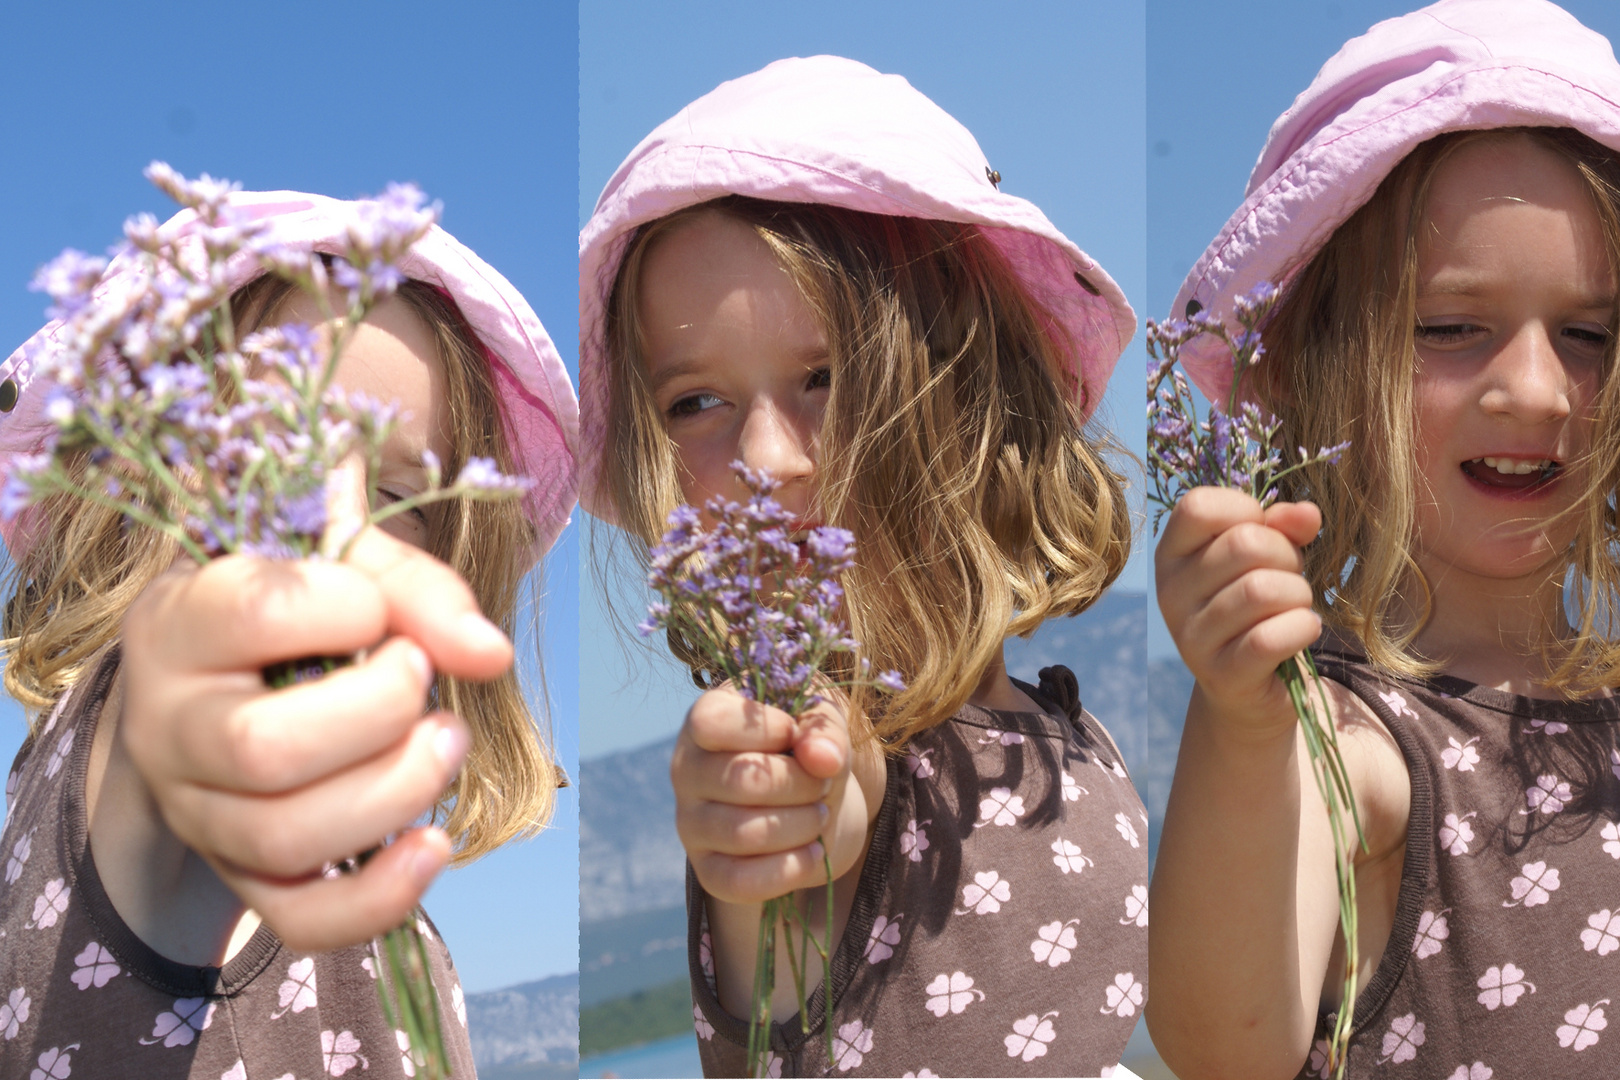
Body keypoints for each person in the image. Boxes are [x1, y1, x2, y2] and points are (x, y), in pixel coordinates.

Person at [580, 56, 1147, 1077]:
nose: (764, 458)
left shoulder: (1075, 736)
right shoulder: (822, 751)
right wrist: (782, 818)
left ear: (975, 398)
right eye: (694, 403)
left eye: (825, 376)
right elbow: (796, 833)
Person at [0, 190, 579, 1078]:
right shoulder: (136, 725)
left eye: (397, 499)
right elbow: (179, 728)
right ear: (129, 475)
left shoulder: (364, 867)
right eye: (268, 452)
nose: (335, 526)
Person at [1147, 2, 1620, 1077]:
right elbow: (1224, 1045)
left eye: (1590, 335)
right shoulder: (1349, 744)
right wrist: (1243, 722)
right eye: (1454, 328)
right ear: (1296, 372)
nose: (1537, 389)